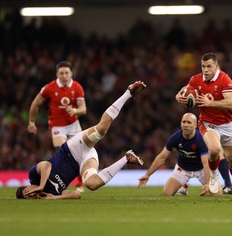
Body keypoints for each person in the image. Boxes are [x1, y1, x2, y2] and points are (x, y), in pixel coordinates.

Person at [16, 81, 146, 199]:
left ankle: (128, 92)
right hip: (83, 162)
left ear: (27, 188)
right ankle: (126, 158)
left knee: (100, 131)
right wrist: (54, 197)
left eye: (27, 193)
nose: (31, 195)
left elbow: (46, 165)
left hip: (72, 148)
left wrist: (40, 185)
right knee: (92, 184)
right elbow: (76, 194)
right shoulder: (50, 193)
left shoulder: (33, 176)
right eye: (29, 198)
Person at [176, 52, 232, 202]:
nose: (206, 70)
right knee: (214, 149)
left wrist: (211, 103)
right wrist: (179, 97)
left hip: (227, 124)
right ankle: (214, 175)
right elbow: (184, 90)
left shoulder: (225, 79)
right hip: (207, 122)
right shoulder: (195, 80)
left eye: (209, 66)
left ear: (216, 66)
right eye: (203, 66)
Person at [27, 61, 87, 192]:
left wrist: (76, 111)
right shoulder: (49, 88)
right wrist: (31, 122)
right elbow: (35, 103)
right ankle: (56, 180)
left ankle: (80, 183)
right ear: (57, 74)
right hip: (57, 125)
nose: (64, 76)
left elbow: (83, 108)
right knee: (64, 151)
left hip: (73, 124)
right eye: (61, 73)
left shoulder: (77, 87)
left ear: (71, 73)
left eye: (67, 73)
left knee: (81, 152)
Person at [138, 113, 210, 196]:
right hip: (183, 169)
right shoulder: (175, 138)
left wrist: (208, 183)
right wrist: (147, 174)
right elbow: (162, 157)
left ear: (195, 125)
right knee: (166, 194)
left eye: (189, 122)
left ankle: (187, 186)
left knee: (216, 193)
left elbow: (206, 163)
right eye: (184, 122)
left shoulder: (201, 138)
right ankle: (182, 187)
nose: (185, 125)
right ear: (181, 123)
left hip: (201, 169)